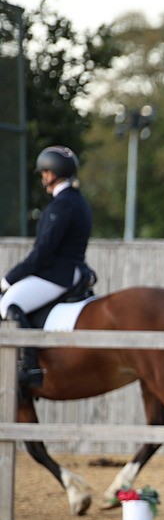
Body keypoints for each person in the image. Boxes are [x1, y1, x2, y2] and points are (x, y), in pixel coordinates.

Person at [2, 146, 93, 387]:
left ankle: (29, 366)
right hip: (75, 270)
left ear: (52, 174)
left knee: (9, 303)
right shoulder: (77, 201)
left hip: (57, 274)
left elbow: (43, 252)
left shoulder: (62, 205)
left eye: (44, 173)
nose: (43, 177)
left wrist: (9, 278)